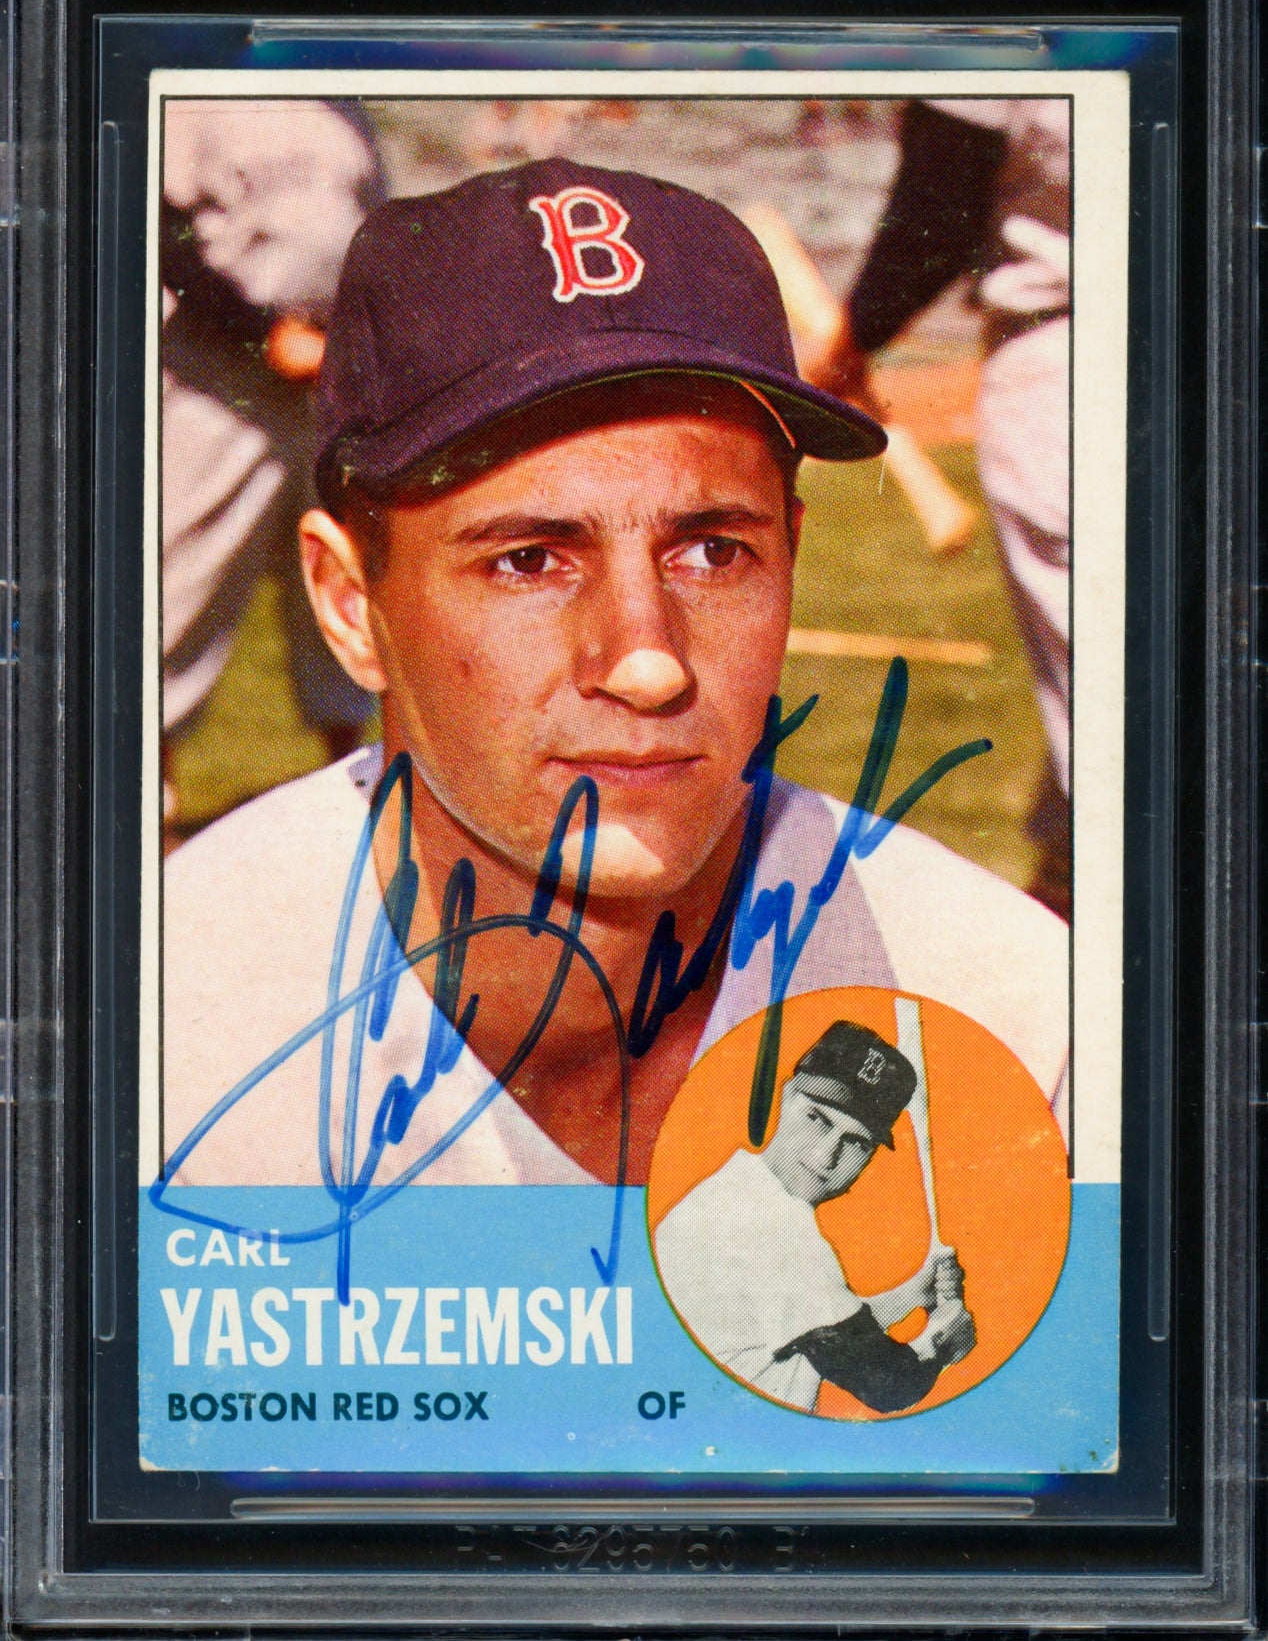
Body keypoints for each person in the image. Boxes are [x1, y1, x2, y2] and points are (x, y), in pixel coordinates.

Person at [162, 158, 1069, 1193]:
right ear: (347, 603)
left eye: (713, 552)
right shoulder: (165, 1040)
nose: (645, 662)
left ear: (790, 553)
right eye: (527, 560)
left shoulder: (1008, 1015)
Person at [803, 99, 1071, 915]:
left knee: (1127, 724)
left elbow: (941, 196)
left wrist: (850, 341)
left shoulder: (994, 22)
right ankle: (1058, 918)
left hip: (1066, 363)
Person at [161, 99, 382, 822]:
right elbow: (156, 232)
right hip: (216, 376)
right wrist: (258, 333)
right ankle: (145, 800)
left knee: (348, 577)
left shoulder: (345, 111)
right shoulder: (201, 94)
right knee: (177, 583)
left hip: (325, 372)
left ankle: (359, 783)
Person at [654, 1021, 975, 1414]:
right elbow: (887, 1384)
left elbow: (817, 1333)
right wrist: (944, 1341)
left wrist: (914, 1295)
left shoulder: (732, 1190)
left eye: (856, 1142)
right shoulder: (781, 1229)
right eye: (817, 1119)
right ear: (787, 1095)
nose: (826, 1156)